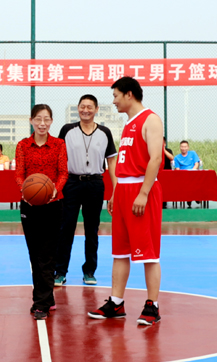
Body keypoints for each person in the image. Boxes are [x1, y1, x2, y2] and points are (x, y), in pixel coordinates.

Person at [87, 76, 164, 326]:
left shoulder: (150, 119)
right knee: (119, 252)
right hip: (123, 191)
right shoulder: (129, 122)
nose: (114, 101)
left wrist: (143, 192)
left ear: (129, 94)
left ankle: (152, 306)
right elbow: (125, 162)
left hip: (141, 190)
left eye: (116, 96)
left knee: (148, 253)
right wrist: (115, 192)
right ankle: (116, 302)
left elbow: (155, 159)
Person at [54, 94, 117, 287]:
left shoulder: (105, 132)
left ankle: (89, 271)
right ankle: (60, 272)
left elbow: (112, 162)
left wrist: (115, 190)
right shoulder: (67, 130)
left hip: (95, 184)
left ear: (96, 109)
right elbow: (58, 159)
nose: (86, 110)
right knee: (66, 228)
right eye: (82, 106)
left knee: (92, 230)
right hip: (72, 183)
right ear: (78, 108)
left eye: (90, 107)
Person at [16, 104, 68, 320]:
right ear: (31, 121)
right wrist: (24, 189)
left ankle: (40, 304)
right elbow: (19, 173)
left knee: (47, 254)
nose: (42, 123)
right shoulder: (23, 145)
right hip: (29, 205)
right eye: (38, 119)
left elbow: (63, 172)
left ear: (52, 121)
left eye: (46, 119)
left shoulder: (59, 144)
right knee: (34, 254)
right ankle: (46, 297)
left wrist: (55, 188)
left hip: (53, 204)